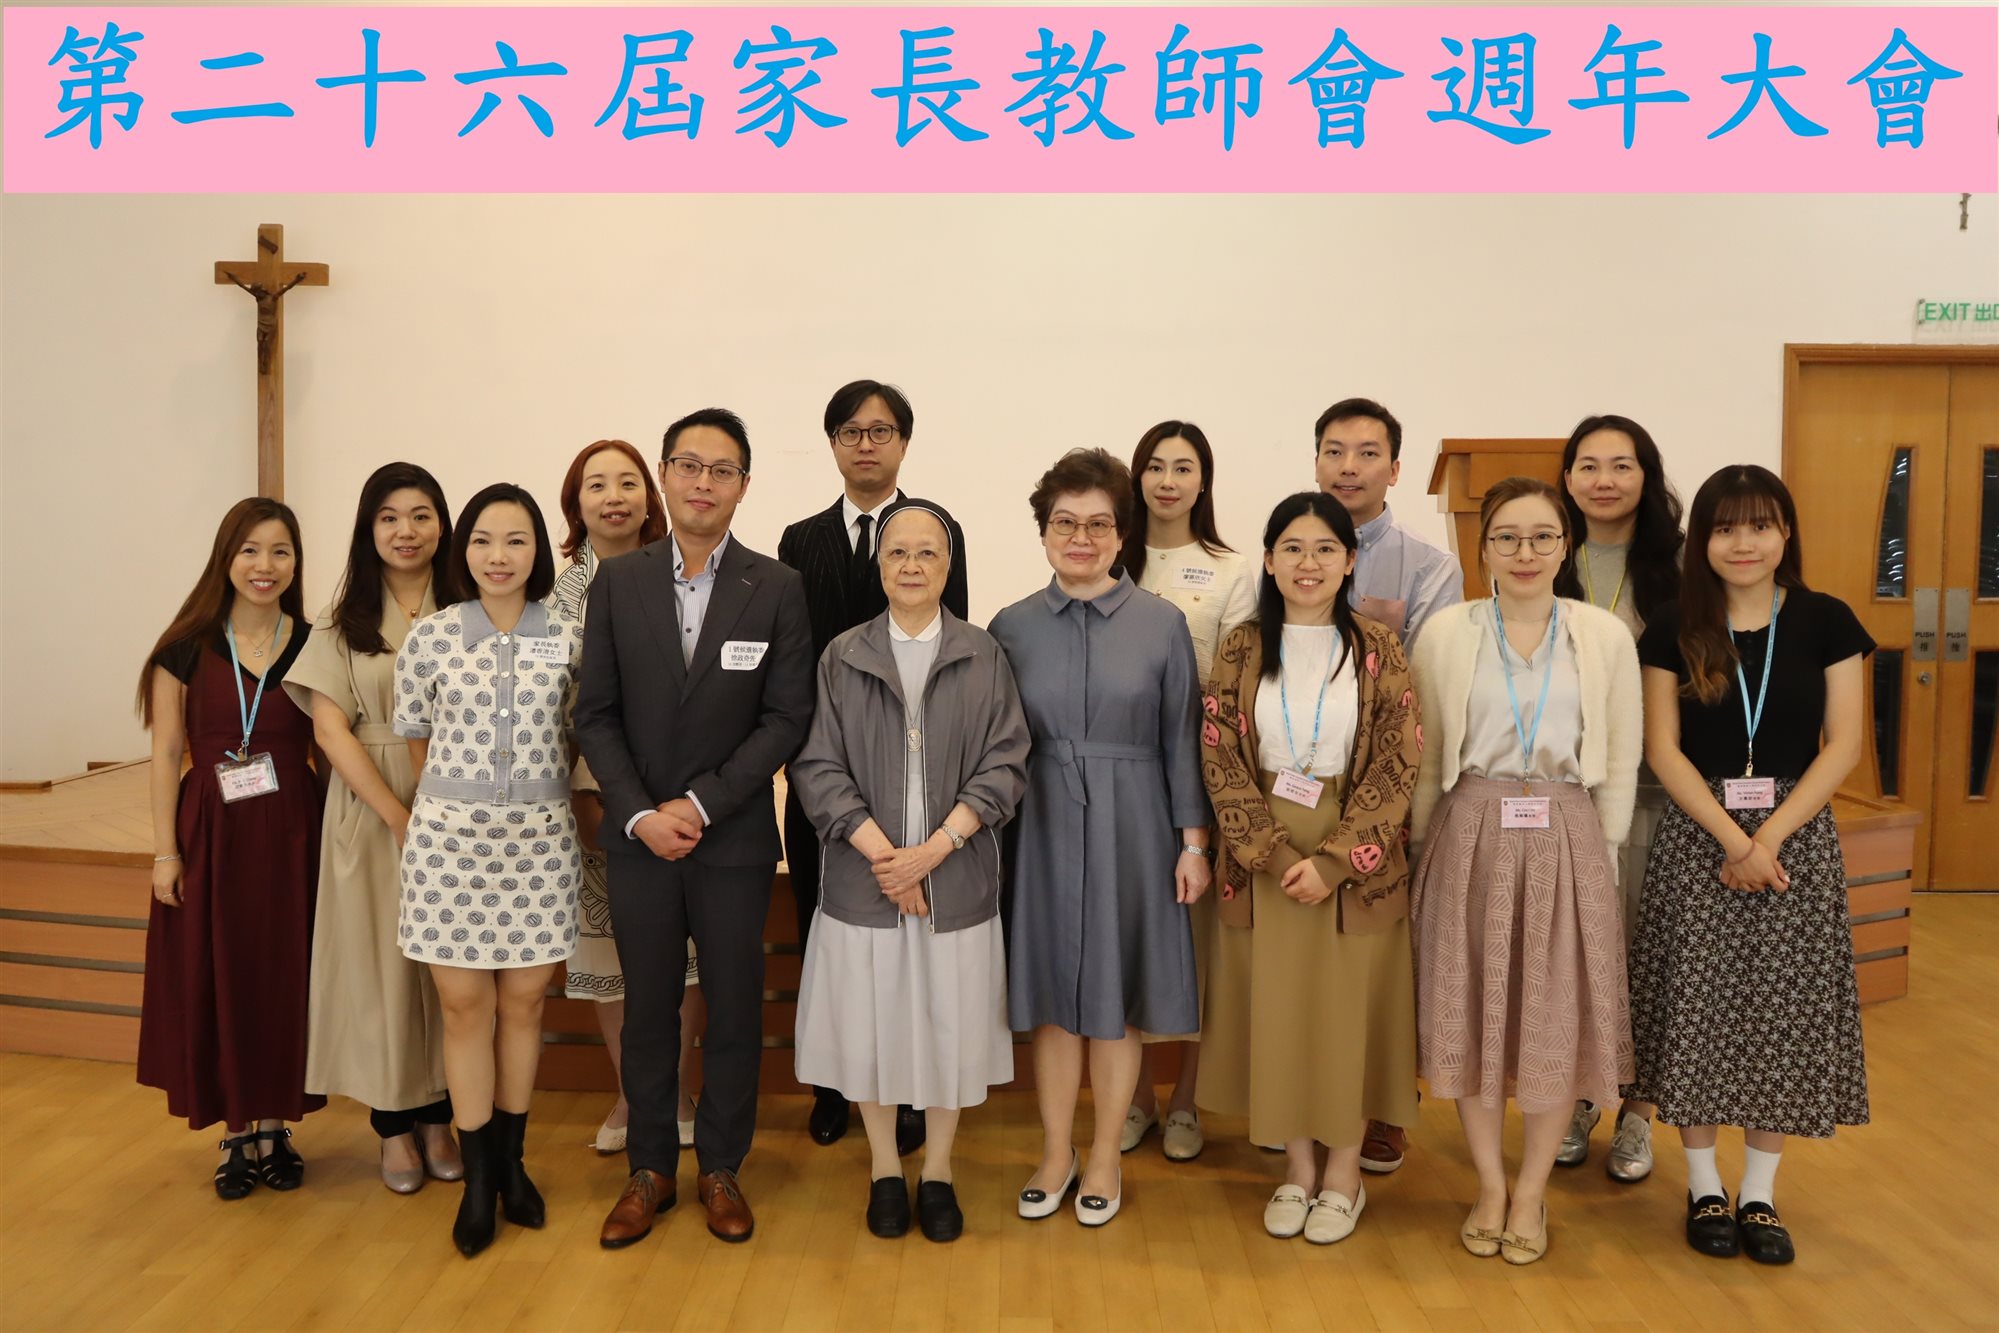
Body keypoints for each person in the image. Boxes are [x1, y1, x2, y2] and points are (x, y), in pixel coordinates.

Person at [578, 408, 814, 1249]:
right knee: (648, 1008)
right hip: (640, 839)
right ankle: (649, 1169)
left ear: (743, 485)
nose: (703, 482)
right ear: (665, 476)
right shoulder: (618, 582)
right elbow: (595, 714)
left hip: (733, 837)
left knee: (735, 1008)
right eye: (688, 465)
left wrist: (702, 803)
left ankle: (720, 1166)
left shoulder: (776, 586)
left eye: (722, 469)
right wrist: (641, 811)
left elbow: (786, 718)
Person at [1623, 465, 1871, 1267]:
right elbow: (1662, 748)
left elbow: (1843, 744)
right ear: (1701, 539)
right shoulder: (1672, 624)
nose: (1743, 543)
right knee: (1695, 1009)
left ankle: (1758, 1193)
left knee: (1783, 1016)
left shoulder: (1827, 620)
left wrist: (1767, 840)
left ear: (1784, 533)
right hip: (1701, 832)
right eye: (1724, 527)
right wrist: (1736, 841)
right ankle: (1702, 1186)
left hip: (1795, 838)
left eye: (1759, 525)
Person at [1408, 476, 1640, 1266]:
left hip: (1567, 835)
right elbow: (1427, 756)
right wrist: (1418, 852)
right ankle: (1487, 1183)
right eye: (1506, 536)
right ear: (1482, 550)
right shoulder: (1445, 632)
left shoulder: (1601, 636)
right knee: (1469, 1016)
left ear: (1565, 545)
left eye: (1542, 535)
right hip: (1469, 829)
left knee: (1550, 1020)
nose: (1524, 551)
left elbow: (1621, 754)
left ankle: (1531, 1190)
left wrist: (1604, 855)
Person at [792, 499, 1030, 1243]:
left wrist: (933, 851)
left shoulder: (983, 653)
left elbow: (1005, 763)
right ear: (879, 564)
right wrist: (886, 859)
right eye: (898, 552)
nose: (912, 566)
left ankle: (940, 1171)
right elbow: (817, 766)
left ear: (948, 566)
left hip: (953, 880)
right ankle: (884, 1169)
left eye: (928, 552)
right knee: (871, 1027)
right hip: (865, 883)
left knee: (949, 1025)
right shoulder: (842, 655)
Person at [989, 448, 1211, 1228]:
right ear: (1044, 530)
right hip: (1040, 820)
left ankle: (1106, 1154)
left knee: (1116, 1000)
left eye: (1097, 524)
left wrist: (1193, 844)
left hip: (1135, 822)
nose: (1079, 538)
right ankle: (1055, 1151)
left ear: (1121, 534)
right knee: (1053, 997)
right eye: (1064, 523)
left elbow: (1182, 739)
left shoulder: (1161, 624)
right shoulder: (1010, 626)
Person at [1199, 491, 1420, 1245]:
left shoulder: (1378, 646)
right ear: (1268, 560)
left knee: (1349, 1016)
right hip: (1263, 854)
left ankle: (1345, 1171)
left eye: (1325, 548)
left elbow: (1400, 757)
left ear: (1349, 561)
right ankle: (1296, 1166)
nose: (1308, 563)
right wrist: (1271, 853)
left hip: (1355, 860)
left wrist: (1336, 862)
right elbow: (1219, 757)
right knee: (1281, 1013)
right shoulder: (1240, 647)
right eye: (1291, 548)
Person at [393, 483, 584, 1257]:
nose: (497, 555)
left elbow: (580, 736)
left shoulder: (569, 636)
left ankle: (512, 1163)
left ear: (538, 549)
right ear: (461, 549)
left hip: (540, 845)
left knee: (526, 1004)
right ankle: (477, 1180)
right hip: (449, 850)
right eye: (481, 539)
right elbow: (418, 747)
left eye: (515, 539)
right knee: (465, 1006)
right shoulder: (431, 636)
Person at [779, 379, 968, 1155]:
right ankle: (835, 1086)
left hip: (923, 783)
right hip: (831, 777)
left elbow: (957, 646)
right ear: (832, 443)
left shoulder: (936, 528)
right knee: (824, 928)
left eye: (881, 430)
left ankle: (914, 1089)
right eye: (850, 431)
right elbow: (792, 663)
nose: (866, 443)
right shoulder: (800, 539)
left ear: (903, 442)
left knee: (914, 944)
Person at [137, 497, 322, 1199]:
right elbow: (164, 753)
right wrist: (166, 853)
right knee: (222, 971)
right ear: (226, 557)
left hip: (294, 832)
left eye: (280, 551)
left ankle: (276, 1126)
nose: (264, 565)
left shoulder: (314, 644)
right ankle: (237, 1134)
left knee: (284, 972)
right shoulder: (183, 646)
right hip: (211, 834)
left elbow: (333, 743)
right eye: (249, 550)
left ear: (296, 562)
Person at [284, 463, 461, 1194]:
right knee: (382, 968)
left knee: (450, 970)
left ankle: (442, 1115)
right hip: (372, 805)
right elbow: (330, 730)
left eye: (420, 515)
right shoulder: (341, 623)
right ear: (369, 529)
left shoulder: (472, 607)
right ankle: (393, 1125)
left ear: (443, 525)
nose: (406, 531)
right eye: (389, 517)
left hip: (462, 803)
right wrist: (396, 814)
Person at [1312, 396, 1462, 1174]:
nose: (1348, 467)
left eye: (1366, 453)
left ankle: (1382, 1109)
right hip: (1300, 788)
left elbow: (1424, 686)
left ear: (1395, 469)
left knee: (1381, 959)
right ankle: (1308, 1098)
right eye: (1334, 451)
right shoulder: (1291, 547)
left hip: (1384, 790)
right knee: (1310, 955)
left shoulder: (1428, 568)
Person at [548, 439, 704, 1156]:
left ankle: (674, 1088)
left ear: (652, 494)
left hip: (676, 798)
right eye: (596, 484)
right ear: (575, 503)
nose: (613, 496)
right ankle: (629, 1090)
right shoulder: (552, 600)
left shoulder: (685, 573)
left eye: (627, 482)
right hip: (588, 797)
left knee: (685, 954)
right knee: (607, 954)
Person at [1115, 421, 1257, 1162]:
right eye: (1155, 466)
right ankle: (1134, 1097)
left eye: (1183, 467)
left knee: (1199, 944)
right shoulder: (1110, 557)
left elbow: (1236, 682)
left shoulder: (1230, 570)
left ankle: (1187, 1101)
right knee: (1127, 934)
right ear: (1136, 477)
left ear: (1204, 480)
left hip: (1203, 772)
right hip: (1119, 772)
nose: (1167, 481)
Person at [1550, 415, 1686, 1181]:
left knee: (1648, 954)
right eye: (1588, 464)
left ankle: (1638, 1112)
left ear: (1646, 475)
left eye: (1621, 465)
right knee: (1577, 952)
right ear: (1566, 477)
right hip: (1570, 790)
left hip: (1657, 793)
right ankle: (1579, 1094)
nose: (1603, 480)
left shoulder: (1681, 569)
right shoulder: (1544, 554)